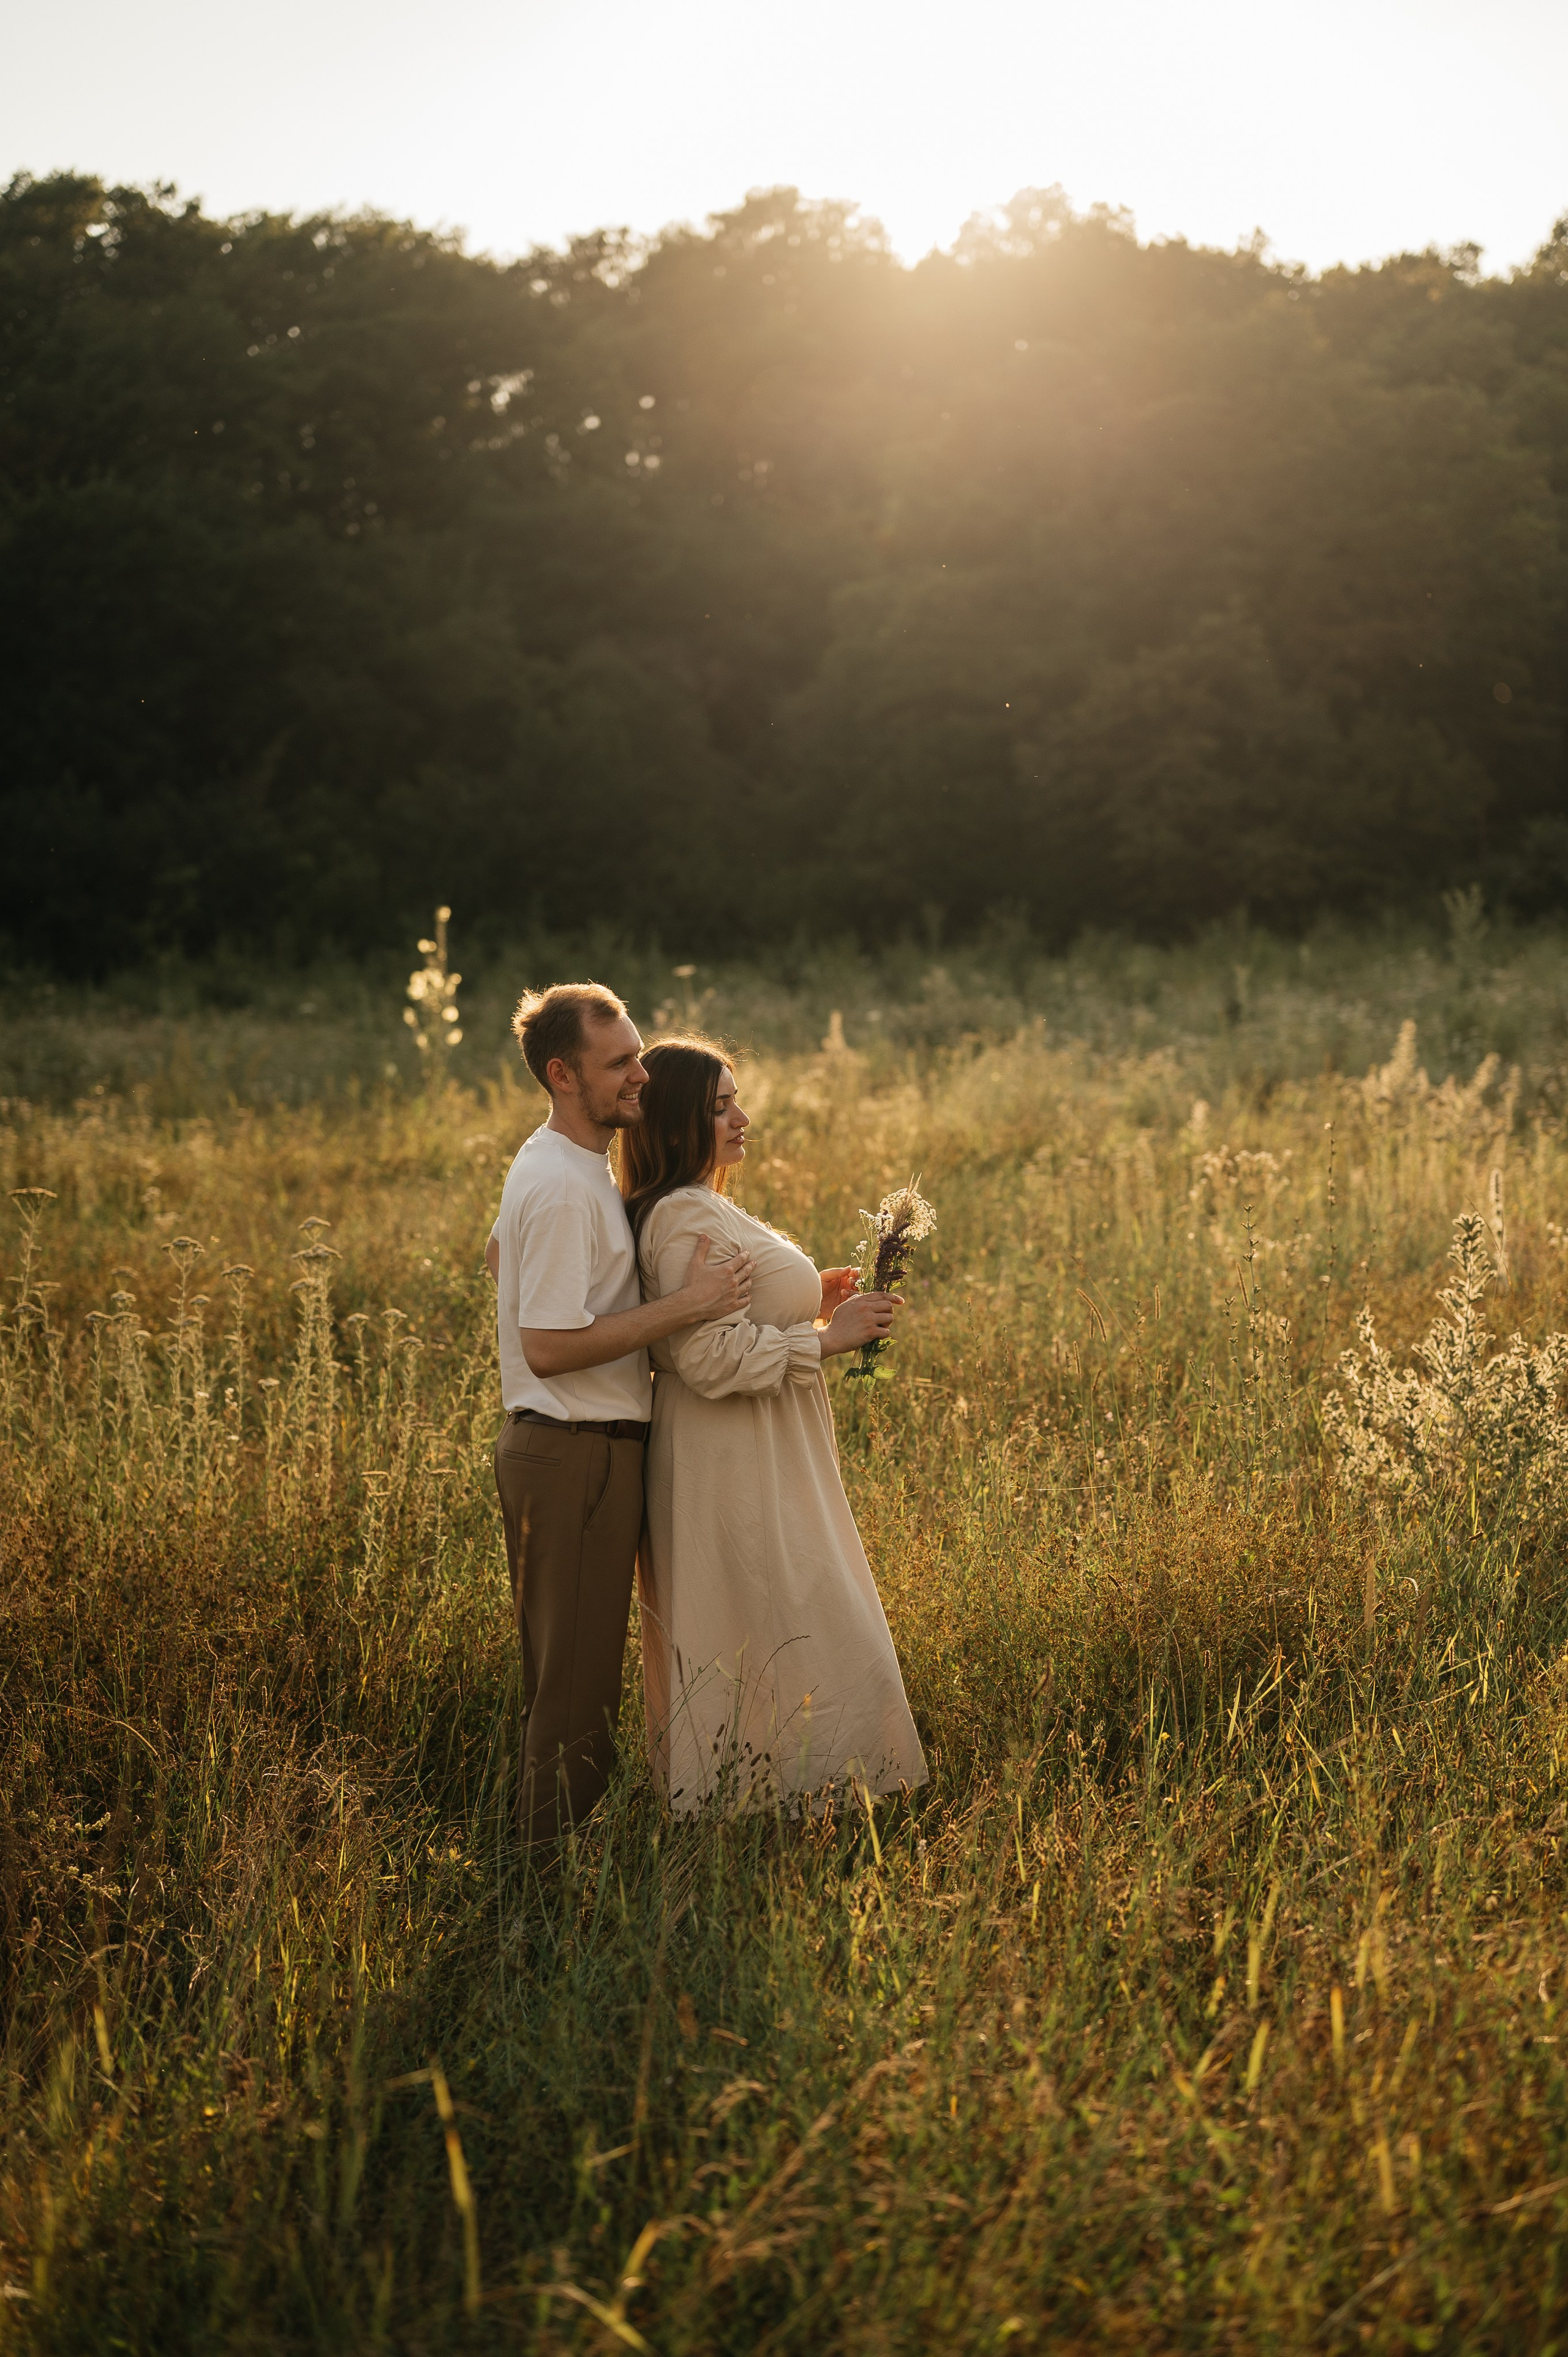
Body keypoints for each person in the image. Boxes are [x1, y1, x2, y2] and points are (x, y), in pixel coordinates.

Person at [619, 1036, 928, 1814]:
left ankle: (798, 1792)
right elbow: (705, 1359)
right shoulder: (679, 1217)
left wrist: (809, 1296)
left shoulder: (702, 1202)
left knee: (784, 1610)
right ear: (679, 1120)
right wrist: (826, 1338)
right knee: (773, 1613)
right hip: (729, 1455)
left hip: (761, 1445)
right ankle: (772, 1794)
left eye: (736, 1100)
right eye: (720, 1107)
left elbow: (731, 1315)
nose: (742, 1118)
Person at [486, 984, 756, 1841]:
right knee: (574, 1702)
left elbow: (499, 1258)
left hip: (577, 1449)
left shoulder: (558, 1164)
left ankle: (539, 1883)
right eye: (620, 1064)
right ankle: (534, 1904)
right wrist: (693, 1304)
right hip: (576, 1452)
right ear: (563, 1075)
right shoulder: (567, 1186)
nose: (642, 1075)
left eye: (638, 1054)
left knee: (568, 1687)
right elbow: (551, 1347)